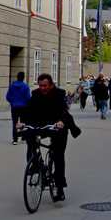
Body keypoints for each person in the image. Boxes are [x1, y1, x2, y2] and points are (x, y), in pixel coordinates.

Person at [16, 74, 81, 202]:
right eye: (40, 85)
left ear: (51, 85)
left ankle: (60, 187)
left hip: (58, 125)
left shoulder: (59, 93)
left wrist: (61, 122)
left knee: (58, 155)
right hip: (41, 123)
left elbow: (63, 110)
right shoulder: (36, 94)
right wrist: (22, 122)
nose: (42, 88)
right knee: (29, 135)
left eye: (45, 86)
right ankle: (35, 163)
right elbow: (29, 110)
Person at [5, 72, 31, 145]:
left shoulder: (12, 86)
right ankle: (23, 137)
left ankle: (15, 139)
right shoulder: (26, 86)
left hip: (14, 107)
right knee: (23, 122)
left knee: (15, 122)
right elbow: (28, 98)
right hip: (23, 107)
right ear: (23, 78)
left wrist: (12, 102)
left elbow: (7, 97)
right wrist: (26, 103)